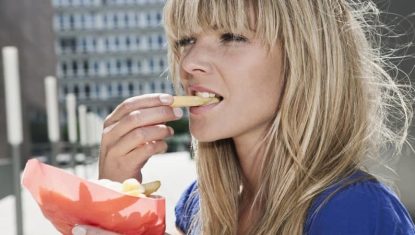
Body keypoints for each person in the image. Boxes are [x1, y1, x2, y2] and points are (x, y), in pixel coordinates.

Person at [71, 0, 415, 234]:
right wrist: (114, 200)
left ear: (305, 58)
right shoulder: (196, 204)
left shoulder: (354, 211)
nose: (189, 63)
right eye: (185, 40)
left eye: (232, 36)